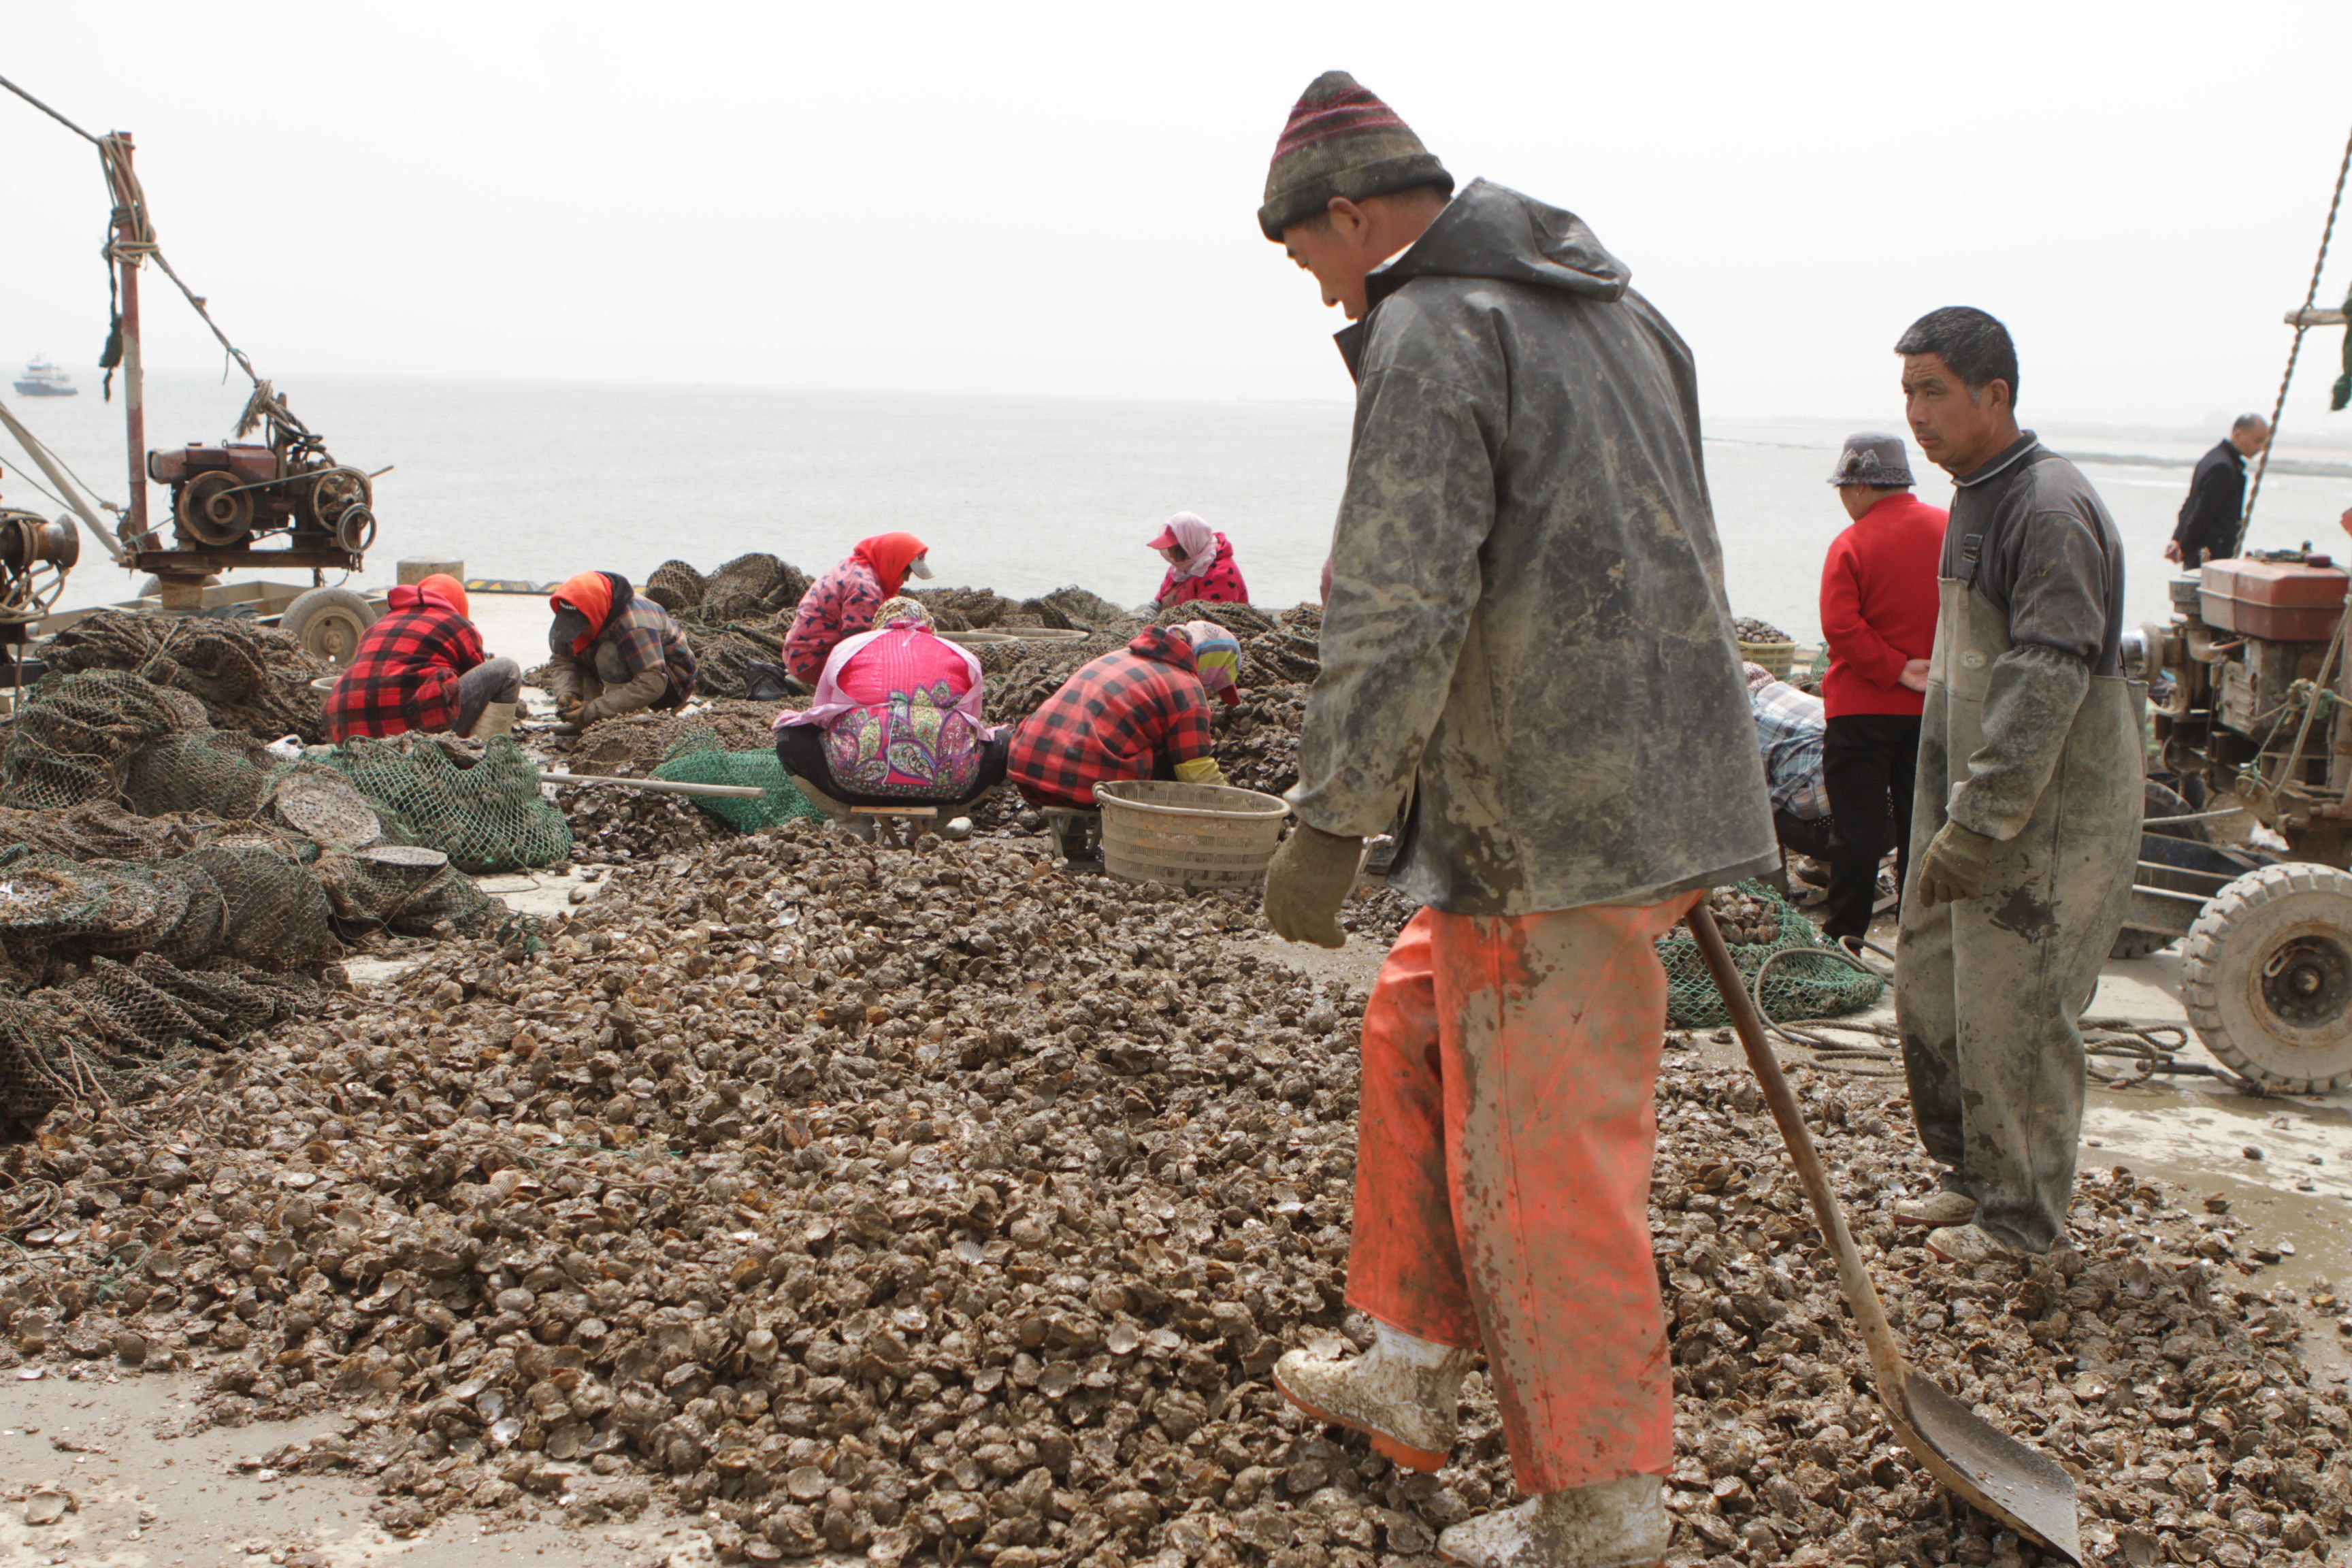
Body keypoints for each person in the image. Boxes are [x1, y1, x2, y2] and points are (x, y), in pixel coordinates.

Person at [1247, 72, 1774, 1568]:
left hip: (1555, 821)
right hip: (1626, 784)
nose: (1320, 291)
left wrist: (1333, 816)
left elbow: (1402, 592)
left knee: (1547, 1166)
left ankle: (1601, 1510)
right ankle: (1408, 1358)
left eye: (1310, 262)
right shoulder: (1622, 312)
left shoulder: (1432, 327)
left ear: (1353, 215)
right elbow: (1678, 536)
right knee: (1414, 1017)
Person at [1893, 306, 2139, 1267]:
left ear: (1995, 395)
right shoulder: (1975, 495)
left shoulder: (2045, 506)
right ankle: (1973, 1174)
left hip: (2046, 812)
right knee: (1937, 988)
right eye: (1908, 392)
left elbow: (2045, 676)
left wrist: (1986, 815)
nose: (1916, 415)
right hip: (1964, 789)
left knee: (2020, 1009)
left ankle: (2023, 1222)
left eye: (1934, 392)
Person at [1818, 433, 1946, 941]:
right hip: (1932, 706)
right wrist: (1923, 671)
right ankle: (1920, 937)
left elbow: (1840, 626)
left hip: (1860, 709)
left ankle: (1845, 940)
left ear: (1860, 485)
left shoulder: (1851, 543)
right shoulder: (1950, 530)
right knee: (1924, 826)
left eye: (1843, 488)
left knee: (1856, 831)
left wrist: (1892, 667)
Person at [772, 596, 1007, 826]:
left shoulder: (848, 648)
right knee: (1002, 742)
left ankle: (850, 822)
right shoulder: (963, 656)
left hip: (852, 784)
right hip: (946, 788)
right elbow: (973, 724)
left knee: (790, 734)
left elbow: (821, 714)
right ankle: (940, 823)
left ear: (879, 624)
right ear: (929, 625)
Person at [1006, 623, 1230, 810]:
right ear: (1210, 668)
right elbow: (1195, 770)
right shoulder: (1187, 688)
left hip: (1025, 771)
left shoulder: (1118, 656)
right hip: (1088, 790)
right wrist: (1231, 803)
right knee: (1173, 762)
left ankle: (1072, 840)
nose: (1210, 692)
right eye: (1215, 684)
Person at [324, 574, 521, 742]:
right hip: (414, 727)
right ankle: (485, 762)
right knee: (507, 670)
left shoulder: (379, 624)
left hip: (345, 729)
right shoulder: (458, 624)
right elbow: (477, 685)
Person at [546, 570, 698, 733]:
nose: (579, 632)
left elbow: (653, 682)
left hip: (668, 684)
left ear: (595, 613)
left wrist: (595, 710)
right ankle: (583, 721)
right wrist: (567, 693)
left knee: (609, 653)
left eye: (582, 626)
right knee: (577, 649)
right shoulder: (572, 616)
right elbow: (562, 659)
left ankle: (625, 720)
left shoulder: (636, 623)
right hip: (638, 675)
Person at [784, 534, 932, 684]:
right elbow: (858, 643)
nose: (906, 580)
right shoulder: (864, 588)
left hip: (800, 654)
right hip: (813, 662)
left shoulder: (855, 565)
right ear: (894, 563)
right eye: (905, 572)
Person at [1744, 662, 1833, 860]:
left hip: (1826, 832)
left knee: (1755, 805)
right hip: (1889, 822)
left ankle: (1776, 887)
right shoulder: (1786, 694)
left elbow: (1756, 796)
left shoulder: (1751, 713)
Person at [2164, 413, 2268, 570]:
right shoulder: (2223, 468)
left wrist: (2178, 540)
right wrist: (2184, 547)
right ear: (2238, 434)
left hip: (2200, 553)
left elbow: (2190, 504)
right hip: (2211, 556)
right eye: (2257, 441)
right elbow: (2202, 513)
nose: (2260, 448)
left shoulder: (2212, 458)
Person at [1149, 512, 1249, 608]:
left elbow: (1214, 618)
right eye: (1168, 549)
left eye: (1174, 550)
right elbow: (1159, 603)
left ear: (1188, 546)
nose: (1170, 555)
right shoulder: (1179, 570)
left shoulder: (1220, 574)